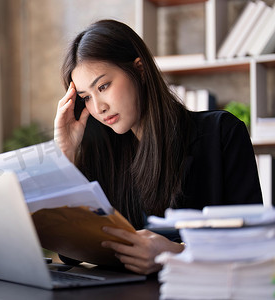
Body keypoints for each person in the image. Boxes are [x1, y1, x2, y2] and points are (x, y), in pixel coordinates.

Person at [53, 19, 263, 275]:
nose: (98, 107)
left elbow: (254, 244)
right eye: (86, 97)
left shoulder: (221, 133)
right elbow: (69, 254)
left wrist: (176, 254)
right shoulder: (101, 152)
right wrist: (66, 155)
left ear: (139, 70)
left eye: (103, 86)